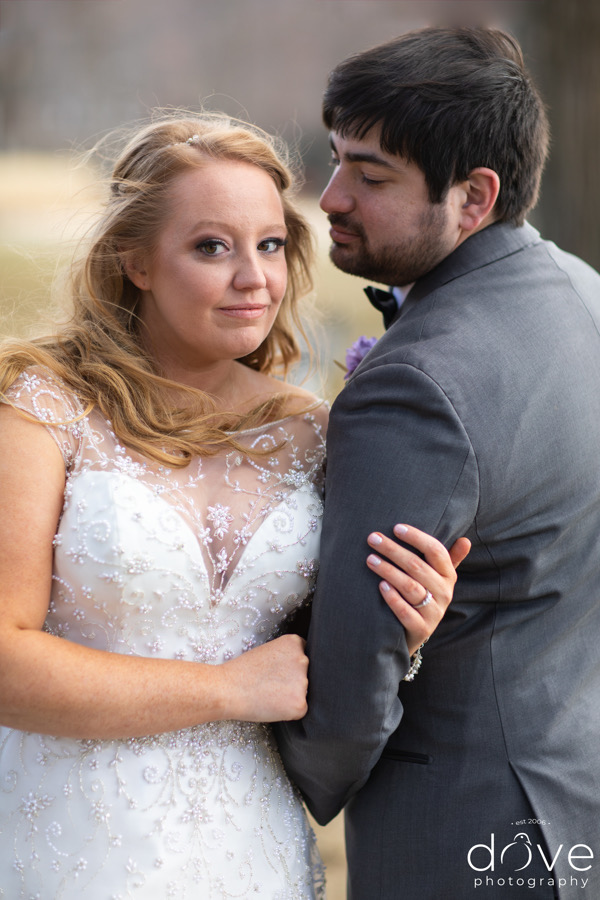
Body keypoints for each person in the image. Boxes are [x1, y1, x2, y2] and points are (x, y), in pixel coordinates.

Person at [0, 113, 467, 899]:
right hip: (70, 846)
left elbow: (327, 653)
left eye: (271, 244)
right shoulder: (46, 409)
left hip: (253, 851)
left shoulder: (316, 431)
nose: (253, 277)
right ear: (135, 260)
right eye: (212, 246)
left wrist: (405, 621)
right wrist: (226, 691)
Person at [274, 25, 600, 900]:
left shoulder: (415, 384)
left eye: (372, 176)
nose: (331, 196)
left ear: (474, 195)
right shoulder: (582, 294)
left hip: (462, 834)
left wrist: (277, 774)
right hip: (573, 801)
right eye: (336, 158)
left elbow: (350, 687)